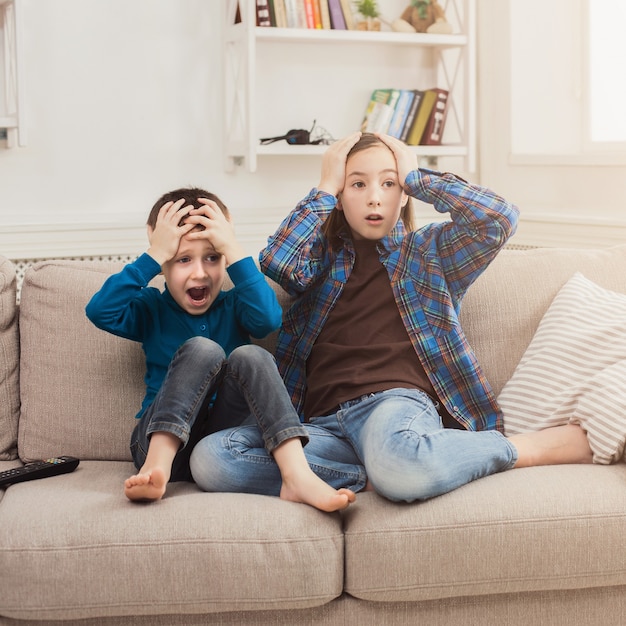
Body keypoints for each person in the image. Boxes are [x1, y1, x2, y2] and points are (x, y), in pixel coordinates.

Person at [189, 133, 592, 503]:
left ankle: (522, 448)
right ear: (341, 196)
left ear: (403, 195)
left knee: (401, 460)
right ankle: (379, 470)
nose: (374, 198)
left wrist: (418, 176)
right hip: (323, 427)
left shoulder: (431, 252)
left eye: (389, 183)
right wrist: (324, 187)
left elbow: (498, 220)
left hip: (394, 408)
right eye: (357, 184)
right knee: (213, 458)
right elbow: (277, 262)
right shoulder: (319, 263)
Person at [86, 187, 355, 511]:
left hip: (222, 446)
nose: (200, 272)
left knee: (251, 354)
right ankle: (156, 467)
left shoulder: (235, 305)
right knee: (203, 349)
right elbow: (100, 311)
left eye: (213, 257)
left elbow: (268, 319)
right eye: (183, 259)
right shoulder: (150, 308)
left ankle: (296, 473)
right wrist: (153, 255)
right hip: (153, 444)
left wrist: (233, 248)